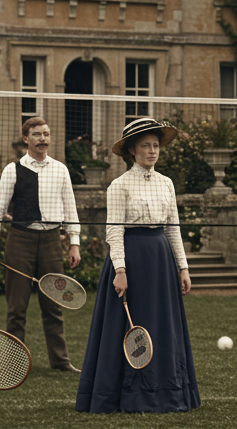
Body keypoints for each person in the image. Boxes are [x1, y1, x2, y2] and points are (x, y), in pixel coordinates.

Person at [75, 117, 199, 413]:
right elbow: (114, 232)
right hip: (131, 263)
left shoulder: (166, 184)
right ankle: (125, 396)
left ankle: (168, 392)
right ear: (132, 151)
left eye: (156, 145)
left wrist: (182, 267)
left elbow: (173, 228)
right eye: (145, 146)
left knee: (162, 323)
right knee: (126, 326)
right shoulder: (119, 186)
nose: (152, 151)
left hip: (161, 263)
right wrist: (120, 271)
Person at [0, 116, 83, 372]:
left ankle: (60, 362)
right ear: (26, 138)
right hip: (20, 239)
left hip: (51, 241)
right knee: (17, 308)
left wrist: (74, 243)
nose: (43, 139)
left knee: (54, 305)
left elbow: (70, 209)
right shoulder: (12, 170)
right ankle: (15, 364)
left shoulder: (60, 169)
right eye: (37, 134)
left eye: (46, 134)